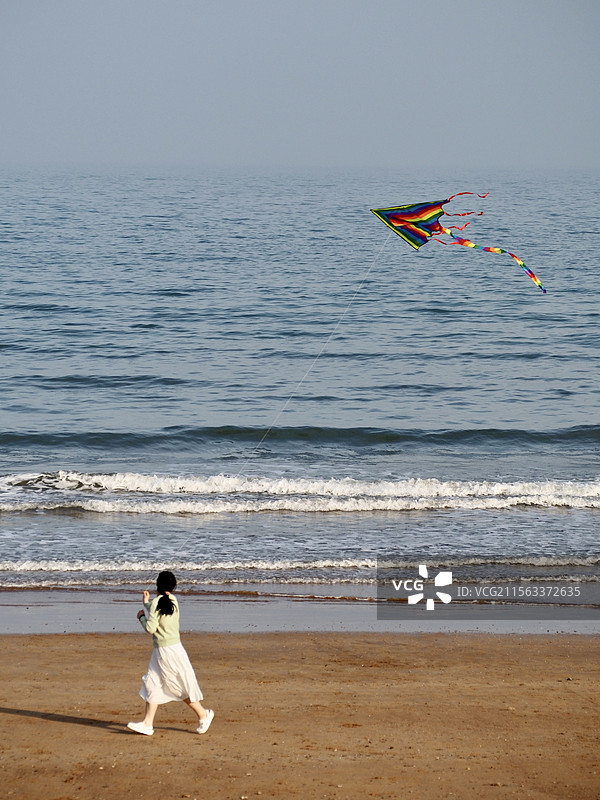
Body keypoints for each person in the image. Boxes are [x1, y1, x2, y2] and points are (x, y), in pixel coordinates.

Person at [127, 570, 214, 736]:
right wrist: (147, 604)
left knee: (176, 686)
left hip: (166, 651)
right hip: (170, 649)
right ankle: (147, 724)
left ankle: (204, 714)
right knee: (152, 681)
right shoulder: (173, 600)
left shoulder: (158, 602)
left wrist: (141, 617)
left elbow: (151, 628)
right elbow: (159, 611)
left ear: (157, 585)